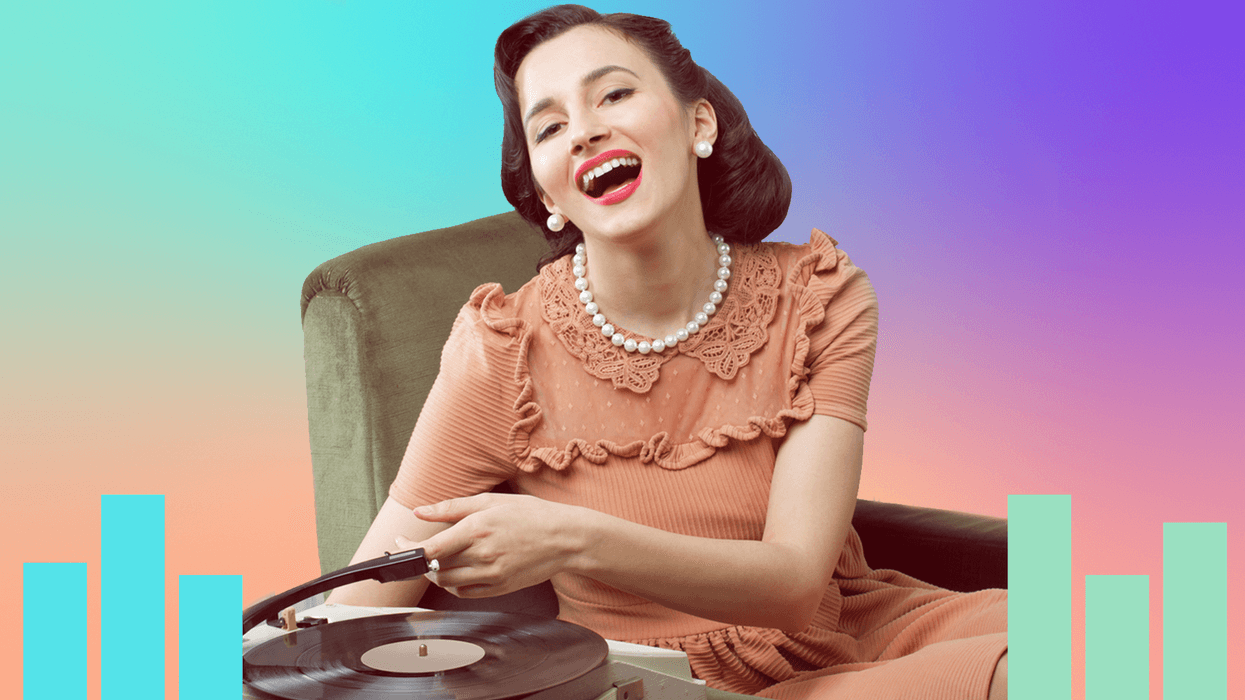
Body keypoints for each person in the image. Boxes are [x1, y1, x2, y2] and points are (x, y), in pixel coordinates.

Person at [329, 5, 1008, 698]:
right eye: (551, 125)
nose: (586, 130)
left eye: (614, 93)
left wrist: (568, 538)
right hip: (662, 682)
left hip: (859, 630)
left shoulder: (818, 295)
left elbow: (796, 586)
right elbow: (355, 603)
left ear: (698, 125)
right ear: (545, 190)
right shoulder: (502, 349)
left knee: (1105, 635)